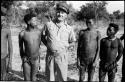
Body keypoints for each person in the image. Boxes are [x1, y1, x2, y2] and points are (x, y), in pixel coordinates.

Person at [41, 2, 76, 81]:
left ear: (66, 15)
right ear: (55, 12)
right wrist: (49, 46)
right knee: (50, 78)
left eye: (62, 13)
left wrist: (65, 48)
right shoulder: (48, 25)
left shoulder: (69, 28)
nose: (60, 14)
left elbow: (73, 42)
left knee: (62, 78)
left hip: (62, 57)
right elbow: (42, 37)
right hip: (50, 56)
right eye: (58, 12)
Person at [19, 13, 43, 81]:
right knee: (27, 79)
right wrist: (23, 59)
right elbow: (21, 48)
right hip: (26, 60)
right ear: (29, 22)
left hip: (35, 60)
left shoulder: (38, 32)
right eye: (34, 20)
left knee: (33, 79)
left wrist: (39, 61)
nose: (36, 22)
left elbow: (39, 47)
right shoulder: (22, 34)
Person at [1, 15, 13, 80]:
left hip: (3, 57)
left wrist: (10, 62)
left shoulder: (7, 30)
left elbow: (10, 48)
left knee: (3, 77)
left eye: (3, 20)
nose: (2, 22)